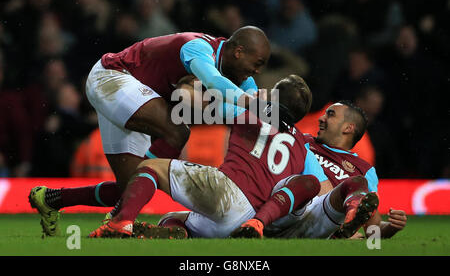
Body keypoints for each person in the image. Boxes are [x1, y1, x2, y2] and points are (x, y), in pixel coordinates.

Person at [28, 26, 270, 237]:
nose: (257, 72)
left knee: (131, 189)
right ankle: (119, 221)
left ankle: (51, 199)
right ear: (238, 52)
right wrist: (248, 101)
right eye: (257, 63)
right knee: (178, 133)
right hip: (112, 77)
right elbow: (216, 84)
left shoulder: (241, 78)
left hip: (135, 95)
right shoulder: (197, 48)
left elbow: (237, 112)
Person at [88, 75, 328, 238]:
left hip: (228, 190)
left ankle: (120, 222)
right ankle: (181, 236)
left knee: (150, 167)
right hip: (249, 218)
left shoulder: (250, 111)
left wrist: (192, 86)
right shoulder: (301, 145)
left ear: (274, 97)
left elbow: (199, 105)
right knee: (173, 219)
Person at [235, 101, 407, 239]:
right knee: (307, 184)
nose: (321, 118)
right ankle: (257, 223)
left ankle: (345, 224)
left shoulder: (365, 170)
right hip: (286, 211)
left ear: (348, 128)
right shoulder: (302, 141)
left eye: (330, 115)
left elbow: (372, 229)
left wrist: (390, 228)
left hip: (317, 223)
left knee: (357, 183)